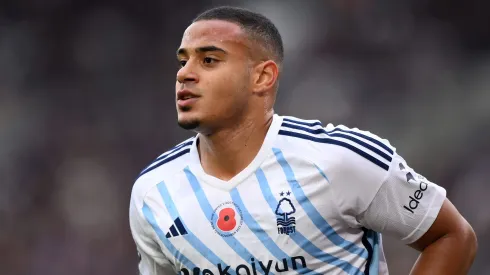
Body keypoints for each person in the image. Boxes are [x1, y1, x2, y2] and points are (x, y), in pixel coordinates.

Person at [129, 6, 477, 275]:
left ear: (262, 77)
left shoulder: (338, 160)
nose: (184, 73)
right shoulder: (152, 193)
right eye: (183, 60)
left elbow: (452, 236)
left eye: (208, 60)